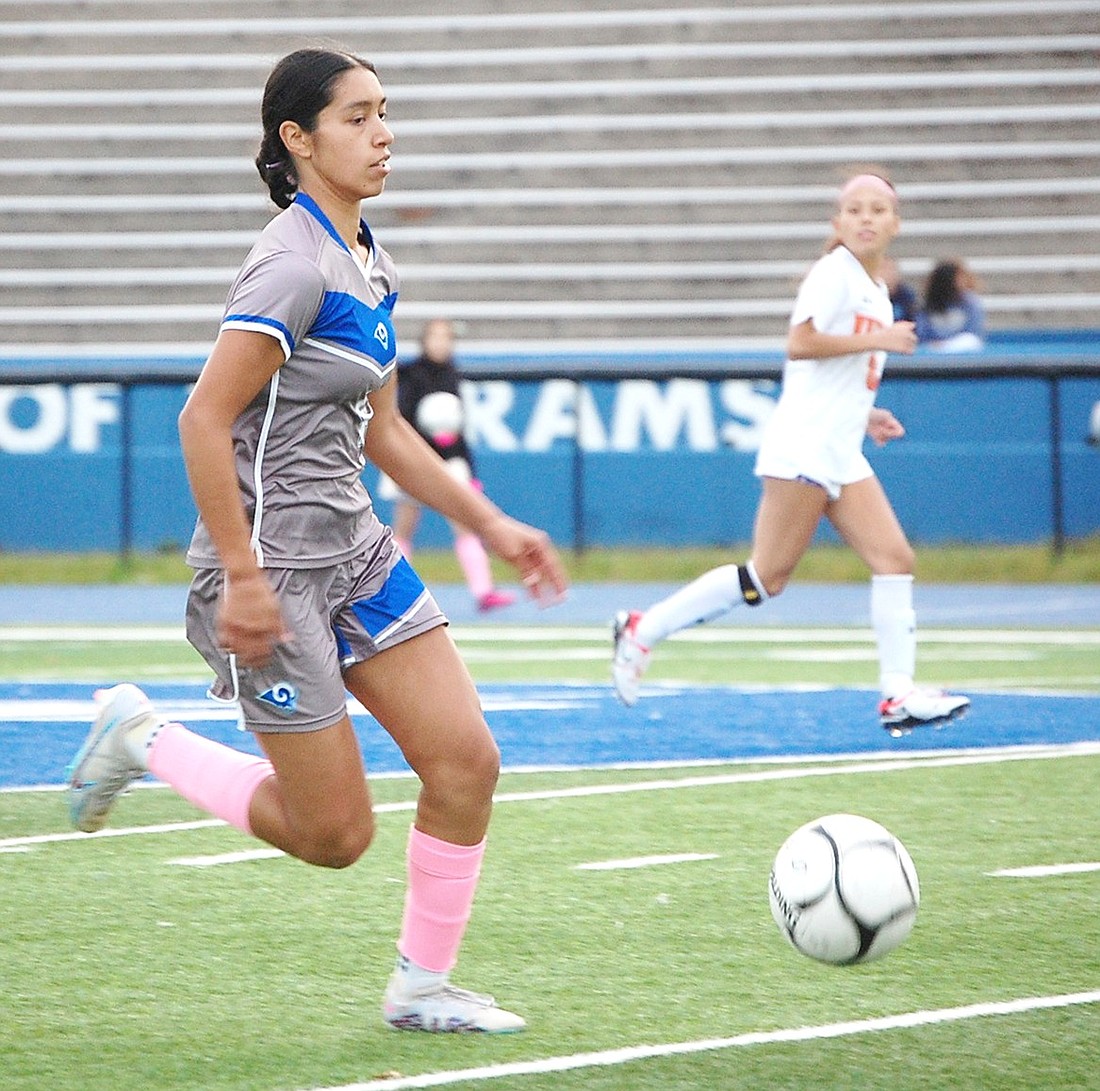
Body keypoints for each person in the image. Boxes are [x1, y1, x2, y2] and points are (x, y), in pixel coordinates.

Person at [66, 48, 567, 1034]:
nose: (383, 134)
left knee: (467, 763)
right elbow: (202, 421)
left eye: (385, 113)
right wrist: (242, 578)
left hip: (357, 548)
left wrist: (492, 523)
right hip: (269, 573)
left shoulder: (372, 258)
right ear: (297, 140)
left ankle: (422, 987)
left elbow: (384, 431)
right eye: (357, 117)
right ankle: (140, 735)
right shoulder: (289, 262)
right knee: (334, 834)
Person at [612, 171, 970, 735]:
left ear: (896, 224)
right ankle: (642, 629)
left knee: (895, 559)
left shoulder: (874, 289)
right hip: (804, 446)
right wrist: (878, 341)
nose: (867, 218)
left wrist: (866, 412)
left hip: (840, 446)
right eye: (855, 209)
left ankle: (898, 693)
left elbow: (837, 370)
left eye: (878, 210)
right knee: (767, 576)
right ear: (837, 223)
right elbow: (800, 344)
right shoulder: (834, 273)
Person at [382, 317, 516, 612]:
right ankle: (392, 592)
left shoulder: (452, 375)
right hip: (414, 462)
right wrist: (426, 444)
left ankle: (483, 591)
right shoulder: (411, 374)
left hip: (450, 463)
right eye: (435, 337)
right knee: (403, 530)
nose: (441, 343)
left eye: (446, 338)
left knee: (466, 524)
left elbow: (460, 429)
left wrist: (469, 468)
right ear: (425, 341)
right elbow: (397, 422)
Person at [915, 258, 986, 352]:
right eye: (959, 277)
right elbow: (922, 333)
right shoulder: (928, 304)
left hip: (960, 346)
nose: (963, 281)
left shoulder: (970, 302)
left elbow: (973, 332)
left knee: (970, 341)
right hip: (934, 348)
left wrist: (948, 344)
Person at [880, 256, 918, 324]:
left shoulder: (906, 296)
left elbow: (913, 320)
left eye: (891, 270)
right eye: (883, 269)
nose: (888, 274)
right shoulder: (869, 295)